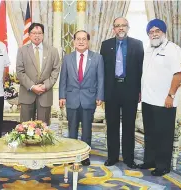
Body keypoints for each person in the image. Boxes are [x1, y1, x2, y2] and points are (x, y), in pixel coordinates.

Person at [139, 19, 181, 176]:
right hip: (147, 100)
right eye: (151, 32)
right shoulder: (148, 49)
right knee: (150, 133)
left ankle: (163, 165)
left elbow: (178, 74)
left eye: (157, 30)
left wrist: (170, 95)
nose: (154, 34)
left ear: (164, 32)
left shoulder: (173, 49)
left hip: (165, 101)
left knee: (163, 135)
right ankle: (150, 160)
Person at [100, 17, 144, 168]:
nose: (120, 28)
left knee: (129, 125)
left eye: (123, 25)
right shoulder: (105, 45)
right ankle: (112, 157)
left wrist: (139, 91)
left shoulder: (137, 45)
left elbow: (141, 71)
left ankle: (128, 158)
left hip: (130, 90)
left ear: (128, 27)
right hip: (111, 90)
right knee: (111, 125)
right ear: (113, 28)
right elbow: (102, 71)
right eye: (117, 26)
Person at [59, 30, 104, 166]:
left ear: (88, 42)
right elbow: (63, 79)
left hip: (89, 98)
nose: (81, 41)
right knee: (72, 128)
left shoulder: (97, 58)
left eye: (84, 39)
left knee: (86, 129)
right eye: (78, 39)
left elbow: (100, 78)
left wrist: (100, 96)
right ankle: (72, 154)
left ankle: (84, 156)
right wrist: (62, 96)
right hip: (72, 98)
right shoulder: (67, 58)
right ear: (74, 42)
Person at [16, 23, 60, 125]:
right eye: (34, 33)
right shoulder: (22, 50)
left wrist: (45, 85)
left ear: (43, 35)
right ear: (29, 35)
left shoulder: (53, 51)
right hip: (27, 94)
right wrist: (32, 86)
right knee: (25, 128)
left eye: (39, 33)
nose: (37, 35)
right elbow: (20, 71)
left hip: (45, 94)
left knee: (43, 128)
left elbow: (55, 70)